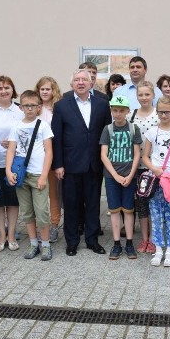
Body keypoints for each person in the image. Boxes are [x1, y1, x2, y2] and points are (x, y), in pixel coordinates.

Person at [52, 69, 111, 256]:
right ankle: (71, 241)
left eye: (84, 80)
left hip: (94, 164)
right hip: (70, 165)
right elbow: (57, 138)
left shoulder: (102, 105)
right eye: (76, 80)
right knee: (71, 204)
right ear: (71, 84)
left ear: (91, 83)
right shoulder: (61, 106)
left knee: (93, 204)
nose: (80, 83)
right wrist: (58, 164)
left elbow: (107, 135)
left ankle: (92, 240)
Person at [6, 90, 55, 261]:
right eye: (26, 105)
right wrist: (8, 171)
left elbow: (49, 152)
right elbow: (11, 150)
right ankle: (34, 243)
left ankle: (46, 244)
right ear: (20, 107)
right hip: (21, 175)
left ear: (39, 107)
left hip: (37, 175)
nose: (29, 109)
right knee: (27, 212)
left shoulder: (43, 126)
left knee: (42, 212)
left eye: (33, 106)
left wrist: (43, 176)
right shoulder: (16, 126)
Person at [143, 97, 170, 267]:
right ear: (157, 111)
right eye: (160, 111)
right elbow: (145, 156)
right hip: (155, 179)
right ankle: (158, 249)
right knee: (156, 214)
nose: (163, 115)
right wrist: (154, 169)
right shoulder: (152, 132)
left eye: (167, 111)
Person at [0, 75, 24, 251]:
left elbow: (26, 136)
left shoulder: (20, 111)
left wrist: (14, 142)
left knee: (13, 201)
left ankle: (12, 234)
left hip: (15, 163)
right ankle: (1, 235)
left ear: (12, 90)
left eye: (7, 87)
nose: (3, 91)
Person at [100, 95, 142, 260]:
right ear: (111, 111)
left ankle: (129, 243)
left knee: (129, 210)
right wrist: (116, 176)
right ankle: (117, 243)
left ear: (127, 111)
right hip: (112, 177)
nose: (118, 114)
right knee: (114, 210)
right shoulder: (107, 129)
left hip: (129, 176)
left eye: (121, 110)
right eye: (115, 110)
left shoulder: (133, 129)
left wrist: (130, 175)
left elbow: (137, 154)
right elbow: (104, 155)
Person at [128, 81, 159, 254]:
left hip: (154, 168)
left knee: (154, 203)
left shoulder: (158, 115)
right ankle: (145, 238)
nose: (144, 97)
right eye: (141, 95)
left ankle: (155, 238)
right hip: (137, 167)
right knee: (141, 205)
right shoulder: (131, 116)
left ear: (153, 95)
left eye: (147, 94)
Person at [36, 76, 63, 242]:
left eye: (48, 89)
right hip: (35, 158)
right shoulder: (34, 109)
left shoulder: (58, 109)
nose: (45, 92)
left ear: (54, 91)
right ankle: (41, 226)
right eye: (42, 89)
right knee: (38, 195)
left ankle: (54, 225)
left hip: (52, 156)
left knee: (53, 195)